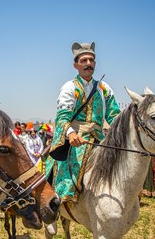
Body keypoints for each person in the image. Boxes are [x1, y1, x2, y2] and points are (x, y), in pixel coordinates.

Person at [46, 41, 120, 202]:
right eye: (84, 61)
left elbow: (114, 115)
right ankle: (59, 201)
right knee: (67, 178)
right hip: (77, 139)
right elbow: (62, 117)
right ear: (75, 65)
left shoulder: (104, 87)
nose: (88, 64)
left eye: (91, 60)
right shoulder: (70, 87)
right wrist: (71, 134)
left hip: (99, 138)